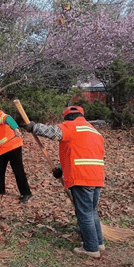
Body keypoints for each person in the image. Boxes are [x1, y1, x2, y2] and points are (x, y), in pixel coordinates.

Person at [25, 105, 105, 258]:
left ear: (68, 117)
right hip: (97, 177)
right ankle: (98, 243)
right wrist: (62, 170)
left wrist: (34, 127)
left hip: (81, 177)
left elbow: (53, 132)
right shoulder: (94, 131)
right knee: (92, 211)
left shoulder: (72, 126)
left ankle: (91, 249)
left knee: (84, 214)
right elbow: (80, 151)